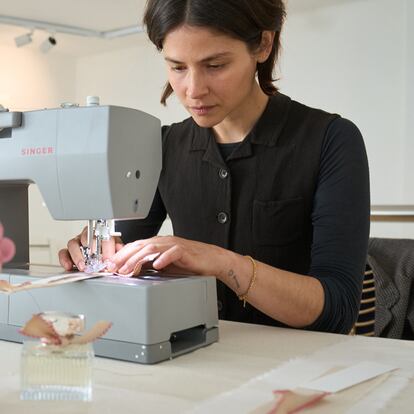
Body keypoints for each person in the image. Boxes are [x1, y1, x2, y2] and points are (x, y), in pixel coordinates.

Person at [59, 0, 370, 334]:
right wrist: (97, 254)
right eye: (177, 67)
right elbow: (122, 257)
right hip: (197, 355)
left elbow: (337, 309)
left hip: (301, 368)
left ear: (263, 44)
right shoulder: (162, 147)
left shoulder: (330, 141)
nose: (194, 90)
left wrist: (221, 262)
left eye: (215, 65)